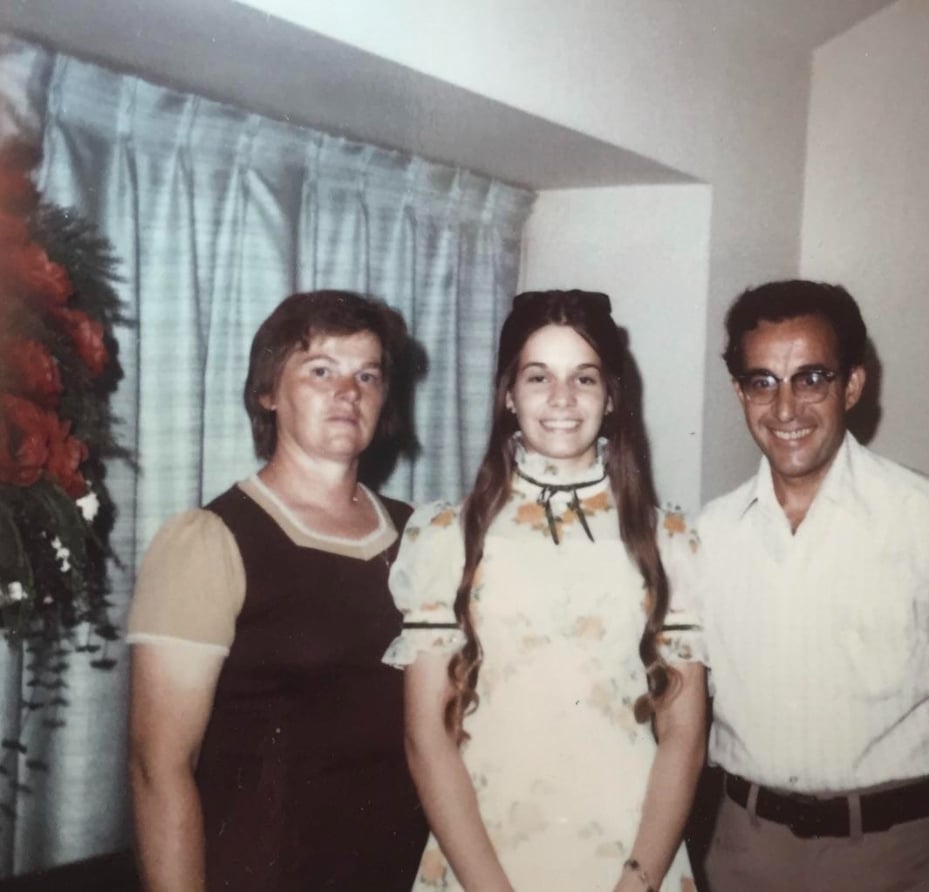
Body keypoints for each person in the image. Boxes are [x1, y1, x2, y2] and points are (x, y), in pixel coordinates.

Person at [698, 280, 929, 891]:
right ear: (739, 391)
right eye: (762, 382)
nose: (786, 409)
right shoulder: (707, 536)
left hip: (896, 856)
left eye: (812, 378)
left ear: (852, 384)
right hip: (747, 853)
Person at [385, 290, 707, 891]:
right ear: (509, 394)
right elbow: (426, 737)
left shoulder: (669, 542)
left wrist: (638, 881)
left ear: (611, 396)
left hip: (633, 863)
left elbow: (683, 736)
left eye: (583, 378)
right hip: (482, 864)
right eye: (539, 377)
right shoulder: (445, 539)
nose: (562, 399)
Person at [126, 291, 427, 891]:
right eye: (321, 370)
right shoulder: (210, 541)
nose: (349, 392)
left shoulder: (422, 534)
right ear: (268, 392)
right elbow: (158, 769)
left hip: (400, 871)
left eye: (367, 374)